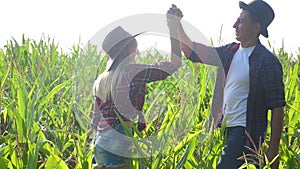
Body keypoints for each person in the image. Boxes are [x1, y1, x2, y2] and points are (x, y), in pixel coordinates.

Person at [167, 1, 285, 168]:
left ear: (256, 27)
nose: (234, 25)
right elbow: (192, 52)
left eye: (241, 21)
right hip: (225, 129)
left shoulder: (267, 61)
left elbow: (277, 107)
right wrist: (177, 24)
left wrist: (273, 150)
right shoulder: (230, 52)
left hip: (245, 132)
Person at [91, 10, 183, 169]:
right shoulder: (131, 71)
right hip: (118, 137)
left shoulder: (101, 80)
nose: (137, 52)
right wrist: (173, 29)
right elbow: (175, 64)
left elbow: (94, 120)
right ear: (126, 51)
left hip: (100, 140)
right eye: (135, 48)